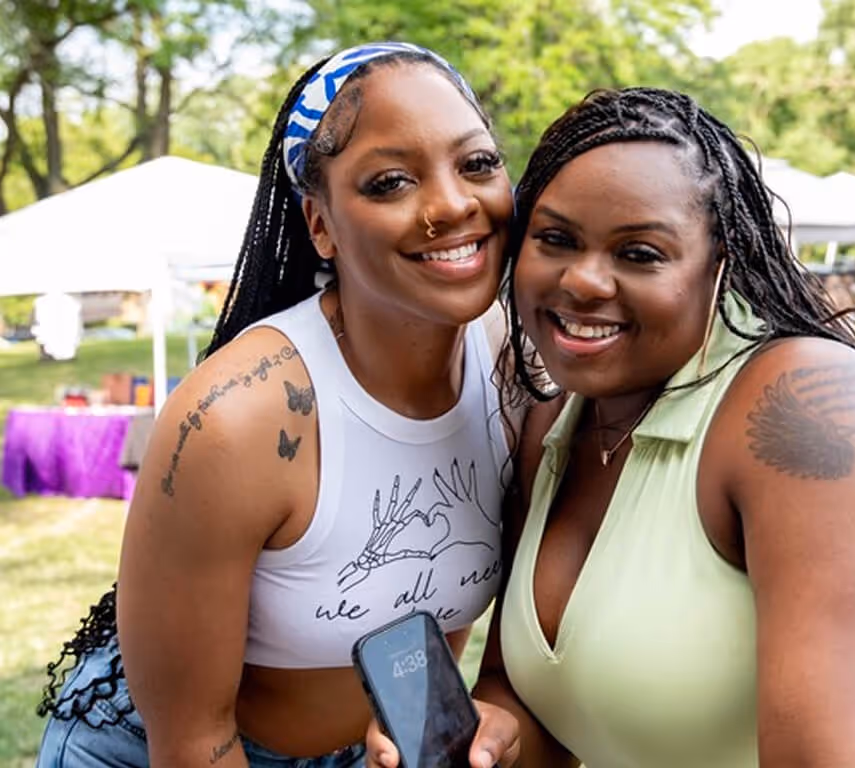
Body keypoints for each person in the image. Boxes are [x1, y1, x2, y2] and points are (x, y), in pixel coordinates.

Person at [372, 87, 855, 767]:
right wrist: (491, 737)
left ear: (720, 267)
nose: (585, 281)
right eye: (556, 240)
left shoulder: (800, 412)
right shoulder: (553, 429)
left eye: (641, 254)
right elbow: (535, 697)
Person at [36, 41, 517, 768]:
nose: (452, 203)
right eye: (390, 182)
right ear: (319, 224)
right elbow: (194, 739)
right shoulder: (237, 419)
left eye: (477, 163)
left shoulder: (517, 369)